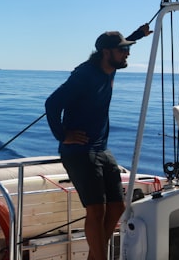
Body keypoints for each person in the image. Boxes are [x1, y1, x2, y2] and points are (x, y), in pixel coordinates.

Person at [44, 24, 151, 260]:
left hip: (101, 149)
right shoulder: (84, 75)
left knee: (117, 208)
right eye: (123, 50)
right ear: (106, 52)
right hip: (79, 151)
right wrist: (63, 135)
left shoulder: (110, 66)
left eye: (126, 49)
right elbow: (52, 104)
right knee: (96, 210)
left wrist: (138, 35)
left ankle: (95, 257)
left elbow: (122, 45)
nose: (127, 54)